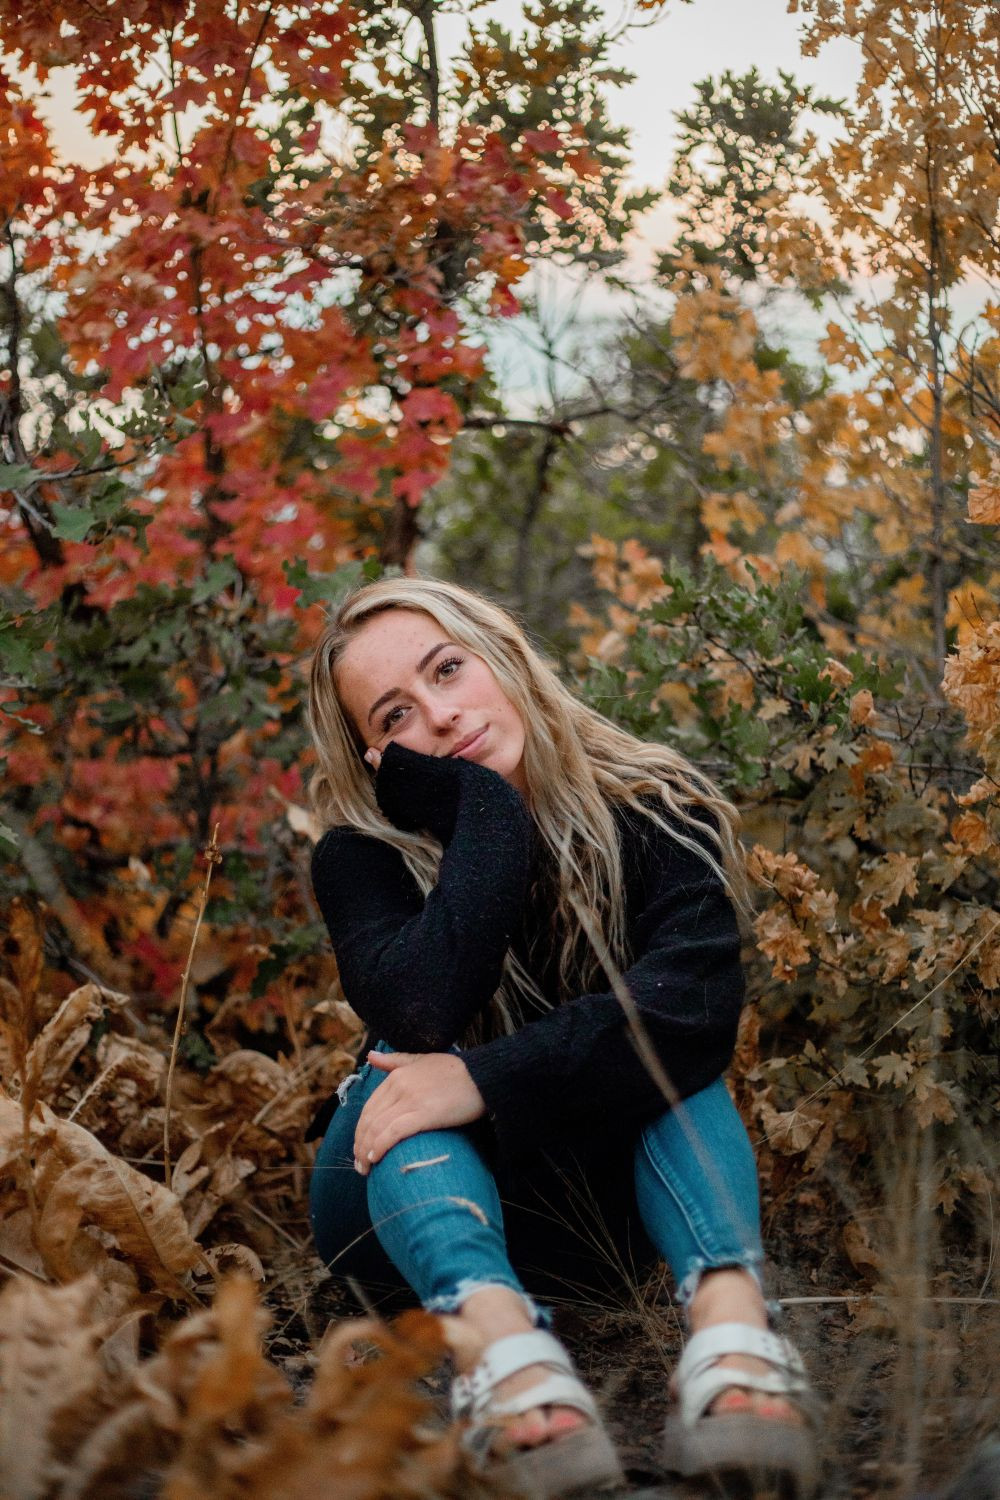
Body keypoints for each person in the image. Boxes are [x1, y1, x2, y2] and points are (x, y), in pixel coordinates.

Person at [305, 577, 818, 1498]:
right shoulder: (361, 858)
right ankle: (505, 1360)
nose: (440, 715)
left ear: (503, 654)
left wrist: (485, 1081)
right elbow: (420, 1010)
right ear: (376, 759)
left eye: (447, 670)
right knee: (407, 1082)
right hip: (408, 1203)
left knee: (662, 1052)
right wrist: (483, 807)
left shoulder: (656, 808)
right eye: (396, 714)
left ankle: (735, 1340)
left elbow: (693, 1006)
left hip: (608, 1209)